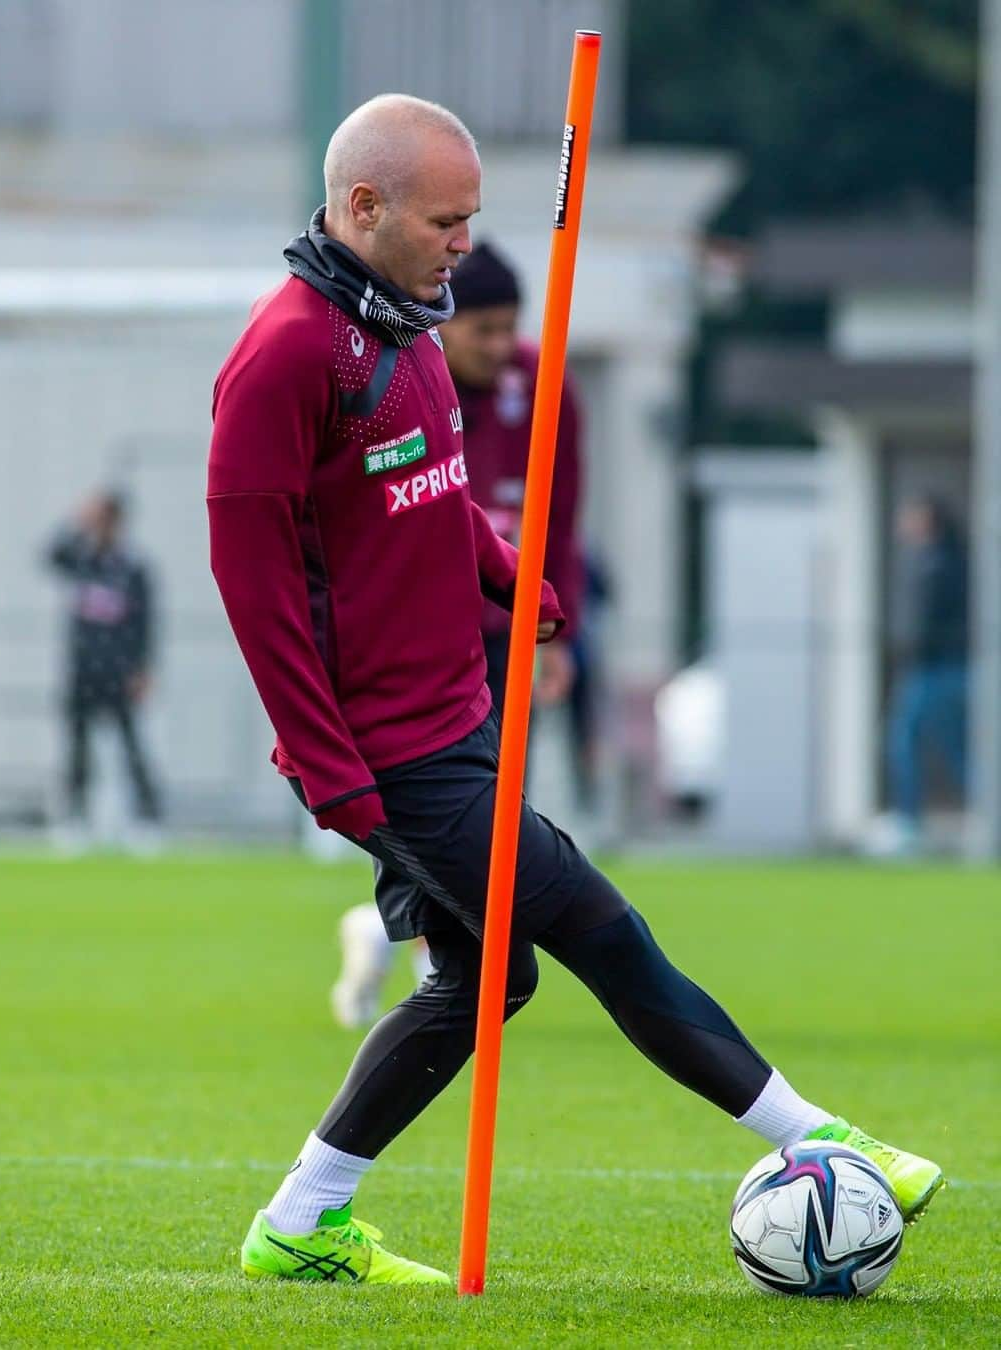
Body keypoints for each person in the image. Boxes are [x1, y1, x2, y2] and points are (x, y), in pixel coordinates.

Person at [207, 94, 943, 1287]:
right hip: (390, 755)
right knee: (603, 930)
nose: (463, 243)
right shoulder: (286, 355)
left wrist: (513, 579)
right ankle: (822, 1139)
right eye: (445, 221)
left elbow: (435, 503)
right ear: (362, 207)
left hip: (459, 715)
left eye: (474, 218)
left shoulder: (409, 329)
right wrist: (327, 767)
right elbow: (255, 588)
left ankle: (302, 1222)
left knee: (484, 983)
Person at [329, 240, 584, 1028]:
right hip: (426, 634)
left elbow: (562, 518)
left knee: (501, 808)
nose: (500, 345)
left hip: (510, 632)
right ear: (445, 323)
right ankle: (417, 945)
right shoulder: (404, 379)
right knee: (444, 811)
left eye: (511, 327)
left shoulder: (545, 386)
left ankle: (402, 941)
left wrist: (559, 627)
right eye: (484, 329)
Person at [46, 491, 162, 843]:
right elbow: (50, 555)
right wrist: (78, 522)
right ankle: (75, 819)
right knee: (78, 746)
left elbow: (146, 623)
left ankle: (146, 820)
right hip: (82, 670)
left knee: (130, 746)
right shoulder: (81, 560)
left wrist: (143, 668)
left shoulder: (132, 568)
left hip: (120, 672)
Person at [881, 493, 969, 855]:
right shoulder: (942, 560)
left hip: (936, 669)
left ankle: (908, 824)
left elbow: (925, 625)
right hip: (942, 668)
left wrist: (909, 651)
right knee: (958, 750)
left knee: (904, 741)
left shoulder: (939, 565)